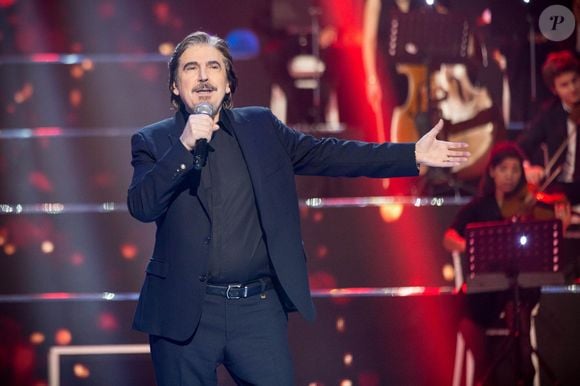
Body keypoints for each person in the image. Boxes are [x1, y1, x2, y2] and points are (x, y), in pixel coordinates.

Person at [127, 31, 468, 386]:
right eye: (191, 67)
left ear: (228, 84)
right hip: (184, 314)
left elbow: (330, 154)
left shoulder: (260, 127)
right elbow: (142, 205)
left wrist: (410, 154)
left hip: (256, 310)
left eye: (213, 66)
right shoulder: (153, 141)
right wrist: (184, 147)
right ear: (174, 86)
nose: (202, 76)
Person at [443, 141, 570, 386]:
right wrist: (471, 246)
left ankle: (524, 371)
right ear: (492, 171)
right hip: (484, 288)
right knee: (465, 311)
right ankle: (483, 373)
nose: (510, 176)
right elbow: (448, 238)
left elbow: (548, 237)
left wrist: (560, 226)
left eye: (515, 170)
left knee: (518, 306)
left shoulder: (530, 205)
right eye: (503, 169)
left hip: (519, 287)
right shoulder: (479, 207)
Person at [518, 50, 580, 206]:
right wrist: (529, 168)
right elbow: (522, 146)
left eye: (575, 80)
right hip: (559, 188)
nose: (573, 88)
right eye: (564, 85)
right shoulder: (549, 113)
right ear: (554, 90)